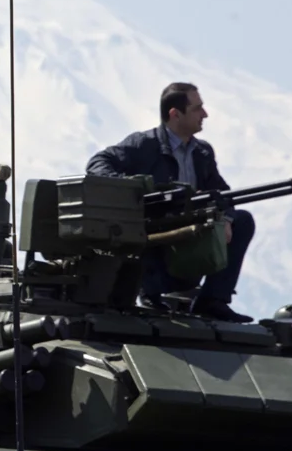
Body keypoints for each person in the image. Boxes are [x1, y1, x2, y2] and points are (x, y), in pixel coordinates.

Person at [85, 82, 256, 323]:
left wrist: (226, 217)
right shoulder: (144, 145)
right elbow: (98, 163)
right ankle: (149, 292)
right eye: (197, 109)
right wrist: (133, 188)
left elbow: (222, 194)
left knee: (243, 221)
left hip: (189, 240)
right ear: (175, 114)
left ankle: (213, 300)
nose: (205, 114)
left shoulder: (202, 153)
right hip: (154, 242)